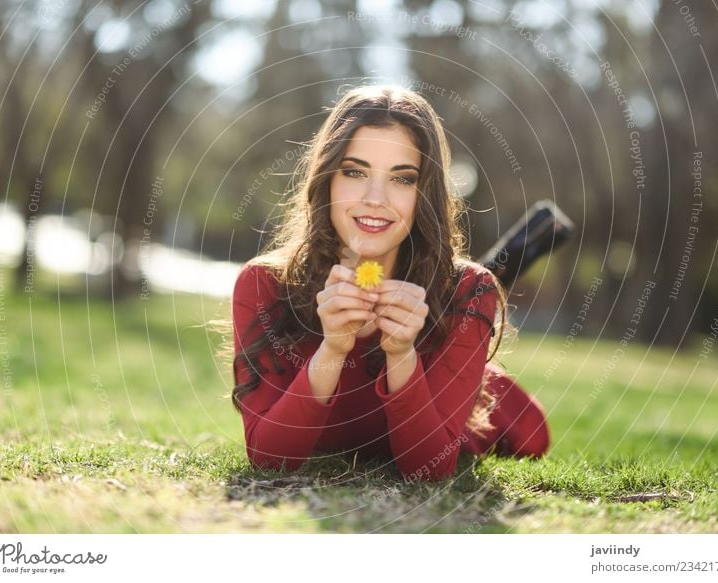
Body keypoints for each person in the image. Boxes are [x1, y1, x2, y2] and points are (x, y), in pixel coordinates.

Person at [230, 85, 549, 481]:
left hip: (475, 412)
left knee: (533, 437)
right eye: (354, 172)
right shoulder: (264, 285)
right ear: (327, 179)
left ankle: (479, 377)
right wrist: (333, 348)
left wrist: (402, 355)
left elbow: (428, 470)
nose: (375, 198)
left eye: (402, 179)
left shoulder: (469, 292)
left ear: (425, 193)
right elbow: (268, 460)